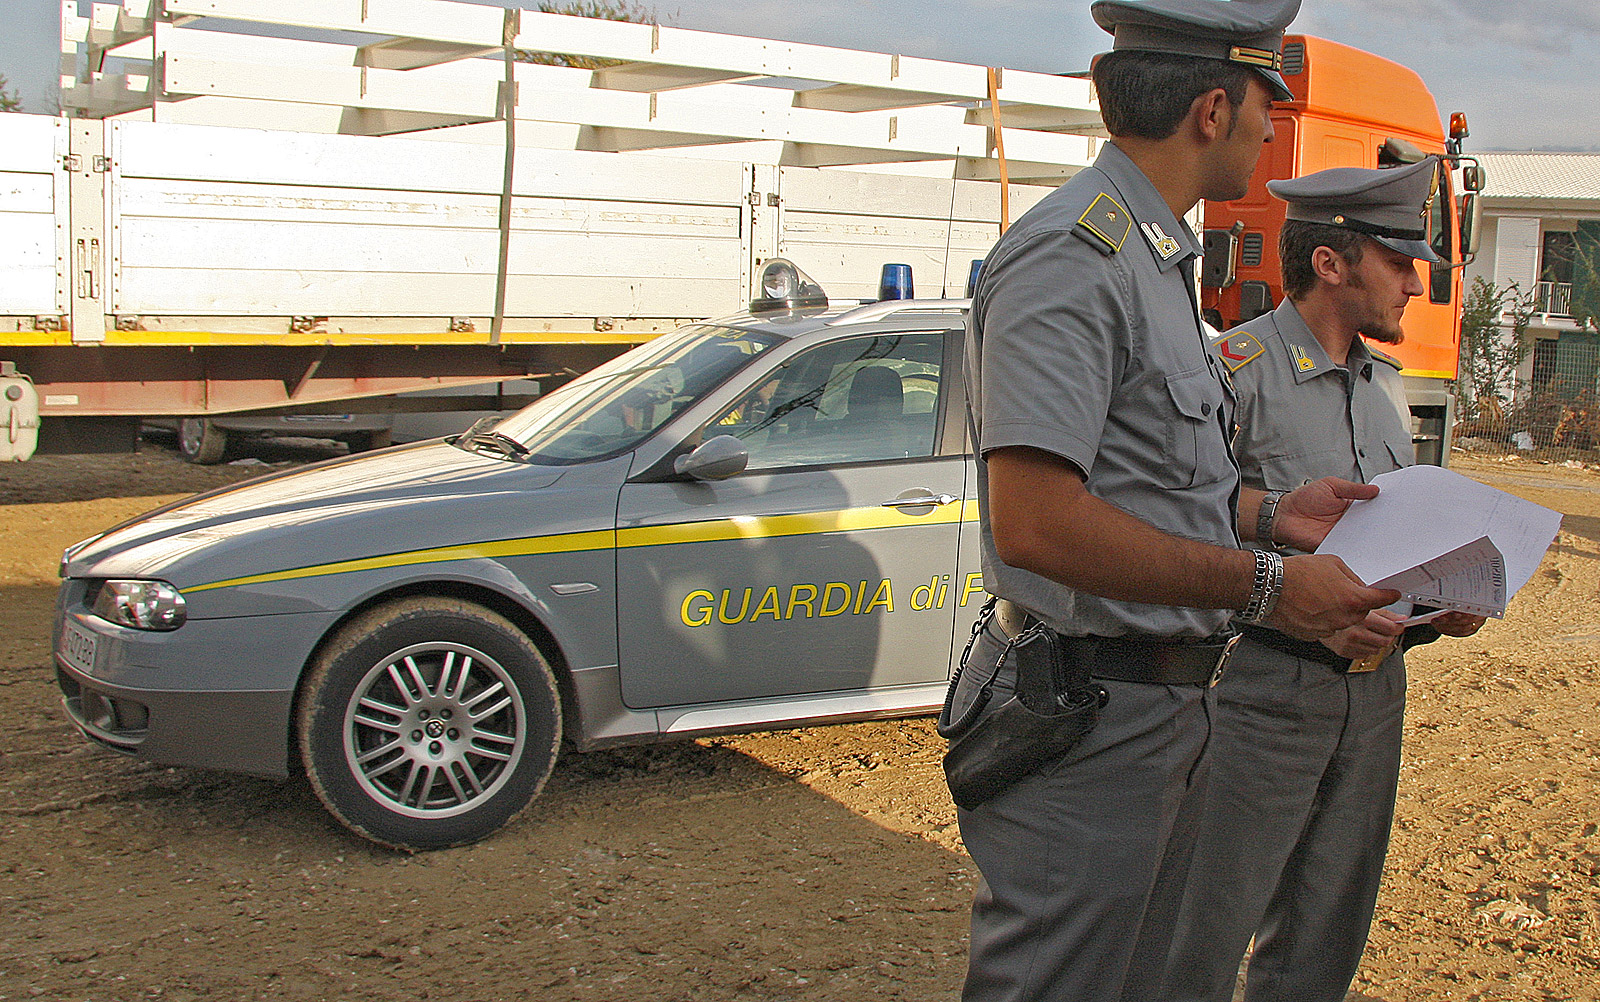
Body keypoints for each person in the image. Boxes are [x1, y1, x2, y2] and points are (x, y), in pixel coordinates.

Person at [956, 1, 1404, 999]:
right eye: (1260, 106)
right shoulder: (1075, 256)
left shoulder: (1152, 257)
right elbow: (1035, 522)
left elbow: (1145, 479)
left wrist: (1268, 517)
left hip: (1157, 709)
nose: (1264, 131)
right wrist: (1266, 585)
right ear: (1211, 109)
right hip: (1088, 717)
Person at [1156, 159, 1488, 1002]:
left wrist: (1437, 601)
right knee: (1203, 930)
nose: (1416, 283)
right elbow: (1173, 517)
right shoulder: (1232, 371)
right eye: (1400, 261)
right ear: (1331, 264)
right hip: (1262, 692)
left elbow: (1383, 542)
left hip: (1374, 698)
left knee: (1325, 935)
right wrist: (1274, 533)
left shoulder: (1386, 387)